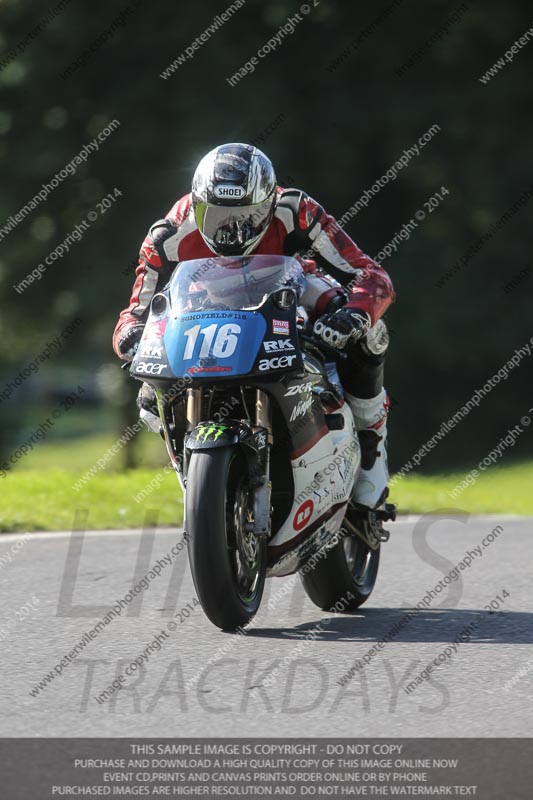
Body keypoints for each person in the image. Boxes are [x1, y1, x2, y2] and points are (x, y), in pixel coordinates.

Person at [113, 143, 395, 510]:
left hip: (289, 291)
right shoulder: (168, 234)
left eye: (248, 216)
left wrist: (353, 313)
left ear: (270, 201)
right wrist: (131, 337)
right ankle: (201, 475)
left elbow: (370, 274)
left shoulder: (297, 210)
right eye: (217, 217)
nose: (232, 231)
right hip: (204, 304)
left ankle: (372, 444)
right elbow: (135, 309)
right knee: (149, 399)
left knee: (370, 331)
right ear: (197, 206)